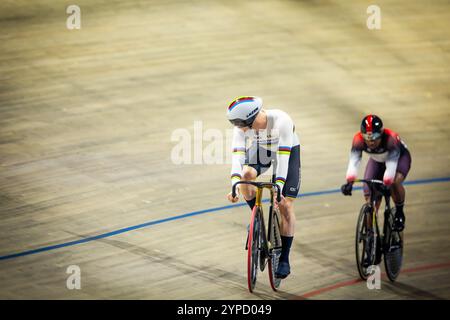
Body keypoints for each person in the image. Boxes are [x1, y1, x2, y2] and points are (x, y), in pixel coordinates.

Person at [226, 96, 301, 279]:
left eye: (241, 124)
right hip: (263, 149)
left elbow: (283, 158)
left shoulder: (282, 120)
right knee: (245, 177)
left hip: (287, 151)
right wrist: (235, 186)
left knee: (285, 205)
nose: (239, 128)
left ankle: (284, 258)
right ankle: (257, 220)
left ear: (250, 120)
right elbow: (237, 158)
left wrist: (279, 187)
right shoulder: (241, 128)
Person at [341, 115, 412, 233]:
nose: (371, 141)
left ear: (381, 133)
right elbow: (354, 162)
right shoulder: (358, 140)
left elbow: (391, 165)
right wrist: (349, 182)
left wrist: (387, 182)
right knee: (369, 195)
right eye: (367, 137)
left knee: (394, 181)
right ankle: (370, 234)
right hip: (377, 160)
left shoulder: (390, 139)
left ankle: (399, 212)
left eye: (374, 136)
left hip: (399, 159)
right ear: (362, 135)